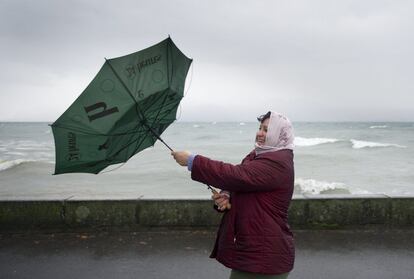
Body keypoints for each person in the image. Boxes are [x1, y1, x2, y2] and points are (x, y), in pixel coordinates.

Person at [171, 111, 295, 279]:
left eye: (266, 130)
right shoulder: (257, 155)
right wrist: (226, 194)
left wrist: (193, 161)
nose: (260, 133)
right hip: (256, 252)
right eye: (260, 128)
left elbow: (237, 175)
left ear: (279, 134)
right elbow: (240, 182)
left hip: (266, 255)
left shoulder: (277, 162)